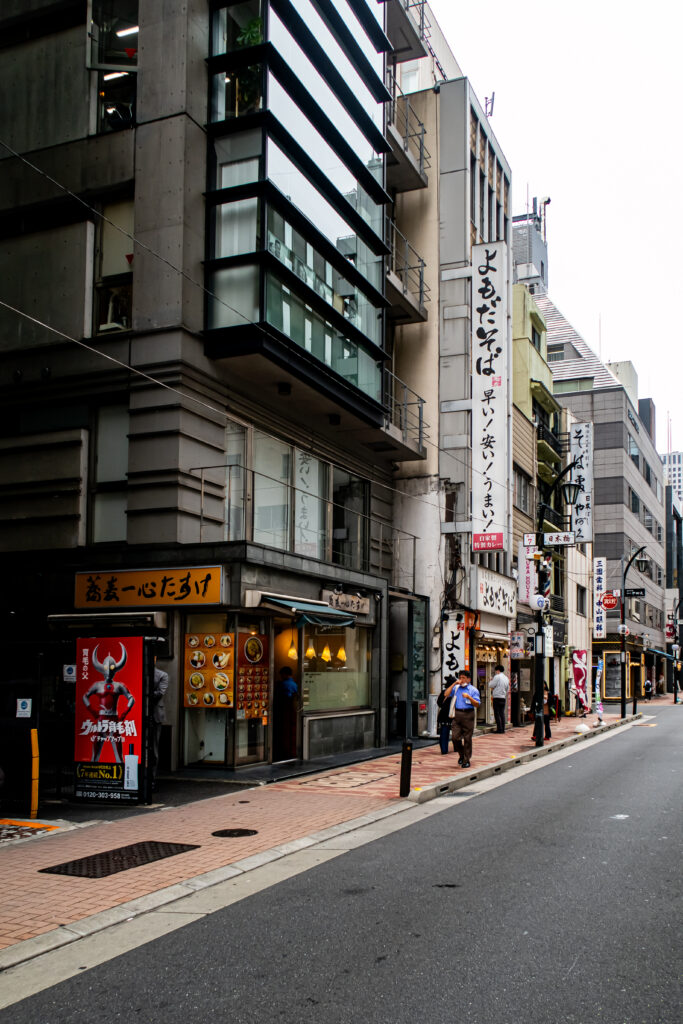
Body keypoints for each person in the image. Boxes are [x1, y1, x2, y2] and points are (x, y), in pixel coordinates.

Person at [443, 669, 480, 768]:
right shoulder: (456, 688)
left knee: (467, 738)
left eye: (464, 678)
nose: (461, 680)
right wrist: (454, 683)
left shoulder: (473, 690)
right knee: (455, 738)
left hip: (468, 714)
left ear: (469, 679)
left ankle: (466, 760)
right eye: (460, 678)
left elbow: (477, 704)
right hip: (457, 714)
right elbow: (446, 694)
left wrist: (469, 697)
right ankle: (462, 754)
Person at [274, 666, 298, 761]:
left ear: (285, 674)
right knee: (291, 731)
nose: (281, 676)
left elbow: (283, 697)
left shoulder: (284, 684)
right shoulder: (294, 684)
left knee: (285, 731)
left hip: (285, 710)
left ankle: (285, 751)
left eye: (281, 674)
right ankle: (291, 751)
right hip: (293, 711)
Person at [151, 658, 168, 789]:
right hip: (136, 715)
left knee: (153, 748)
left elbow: (159, 693)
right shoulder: (137, 672)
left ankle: (151, 779)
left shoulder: (162, 675)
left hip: (155, 715)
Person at [490, 663, 509, 733]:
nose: (496, 672)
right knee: (502, 713)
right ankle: (503, 729)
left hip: (497, 697)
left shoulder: (497, 676)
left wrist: (491, 680)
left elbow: (491, 685)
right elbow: (507, 689)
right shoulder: (506, 678)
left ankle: (499, 729)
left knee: (497, 713)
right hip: (503, 697)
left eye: (496, 671)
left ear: (497, 670)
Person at [436, 687, 454, 754]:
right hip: (453, 714)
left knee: (444, 732)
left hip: (443, 714)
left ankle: (444, 749)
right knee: (456, 733)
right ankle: (456, 747)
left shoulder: (444, 692)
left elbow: (439, 703)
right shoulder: (455, 693)